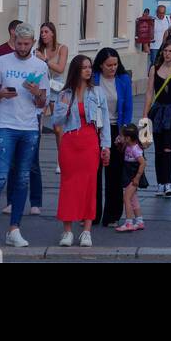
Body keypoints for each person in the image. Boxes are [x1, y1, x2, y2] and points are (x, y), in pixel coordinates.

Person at [0, 23, 49, 251]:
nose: (23, 48)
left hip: (29, 126)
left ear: (33, 43)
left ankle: (14, 229)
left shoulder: (40, 66)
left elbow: (43, 102)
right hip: (6, 125)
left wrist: (36, 92)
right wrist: (2, 94)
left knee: (22, 179)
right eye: (19, 43)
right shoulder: (2, 61)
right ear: (14, 41)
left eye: (27, 44)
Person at [54, 54, 110, 247]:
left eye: (90, 67)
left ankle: (86, 230)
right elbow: (56, 121)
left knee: (89, 185)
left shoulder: (97, 93)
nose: (88, 70)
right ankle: (67, 230)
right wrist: (65, 108)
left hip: (90, 141)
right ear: (76, 70)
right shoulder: (65, 94)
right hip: (70, 142)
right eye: (84, 67)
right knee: (69, 185)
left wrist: (106, 146)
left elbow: (105, 123)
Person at [94, 47, 134, 226]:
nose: (113, 68)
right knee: (94, 173)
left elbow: (127, 108)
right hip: (95, 128)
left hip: (115, 128)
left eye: (115, 64)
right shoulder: (93, 78)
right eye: (109, 65)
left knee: (114, 173)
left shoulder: (123, 79)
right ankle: (92, 214)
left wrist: (123, 133)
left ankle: (112, 215)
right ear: (100, 65)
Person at [30, 21, 68, 202]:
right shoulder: (38, 51)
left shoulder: (62, 48)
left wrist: (44, 60)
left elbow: (60, 68)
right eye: (42, 32)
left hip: (58, 88)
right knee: (35, 121)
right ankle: (31, 154)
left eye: (46, 31)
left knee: (58, 127)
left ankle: (61, 160)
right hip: (43, 87)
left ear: (53, 33)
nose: (43, 35)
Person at [143, 41, 171, 195]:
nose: (167, 54)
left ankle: (168, 183)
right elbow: (149, 93)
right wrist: (145, 114)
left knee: (168, 148)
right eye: (165, 51)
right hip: (157, 111)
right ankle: (160, 183)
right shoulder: (154, 69)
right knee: (158, 149)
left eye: (170, 51)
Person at [114, 123, 146, 231]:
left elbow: (142, 163)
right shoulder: (128, 146)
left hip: (132, 177)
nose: (120, 138)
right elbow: (121, 150)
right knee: (133, 199)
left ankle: (129, 223)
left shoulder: (135, 149)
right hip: (129, 176)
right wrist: (118, 143)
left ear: (128, 138)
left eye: (122, 136)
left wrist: (137, 177)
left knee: (126, 198)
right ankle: (139, 221)